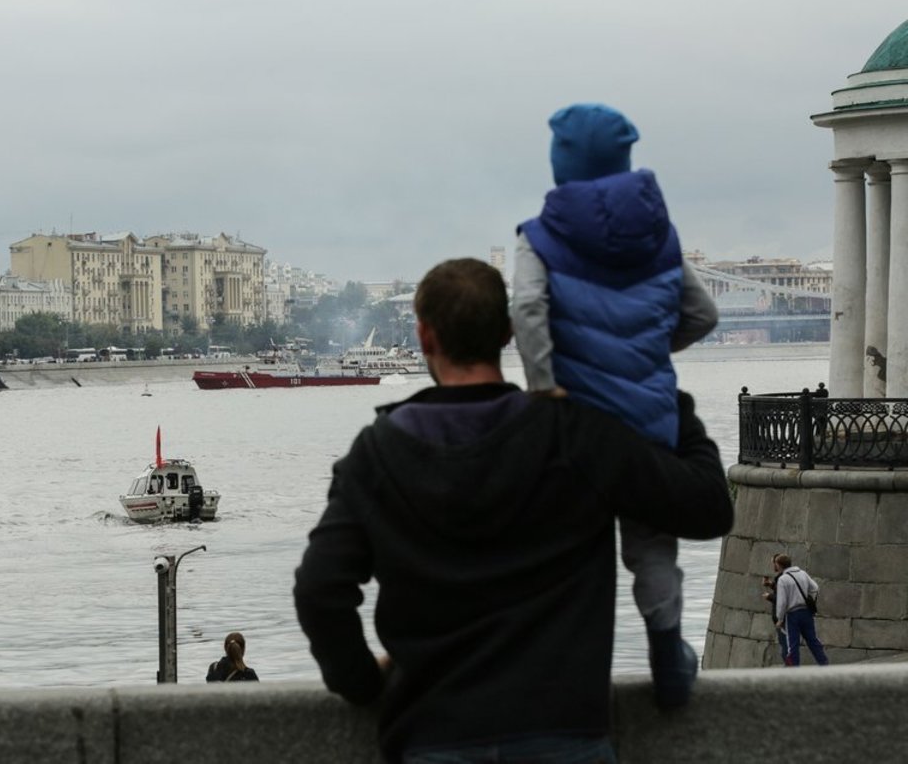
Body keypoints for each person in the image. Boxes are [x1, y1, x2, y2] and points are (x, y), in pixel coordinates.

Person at [295, 258, 732, 763]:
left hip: (432, 735)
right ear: (506, 334)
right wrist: (658, 388)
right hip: (564, 735)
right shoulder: (573, 433)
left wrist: (363, 685)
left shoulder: (377, 453)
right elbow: (706, 508)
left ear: (424, 336)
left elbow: (320, 590)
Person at [511, 103, 719, 706]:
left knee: (574, 543)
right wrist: (652, 351)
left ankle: (570, 672)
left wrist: (544, 383)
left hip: (576, 422)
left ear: (562, 163)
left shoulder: (540, 236)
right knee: (652, 543)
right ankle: (669, 657)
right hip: (650, 418)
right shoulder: (659, 235)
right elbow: (704, 315)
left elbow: (526, 310)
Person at [773, 554, 828, 667]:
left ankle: (794, 670)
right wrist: (810, 599)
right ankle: (824, 664)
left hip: (792, 615)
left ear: (779, 565)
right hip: (806, 612)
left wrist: (780, 618)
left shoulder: (783, 579)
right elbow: (815, 587)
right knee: (813, 640)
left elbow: (782, 602)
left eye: (776, 564)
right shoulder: (802, 573)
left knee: (792, 645)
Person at [761, 556, 789, 661]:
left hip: (783, 620)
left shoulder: (782, 578)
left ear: (778, 564)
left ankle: (790, 670)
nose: (773, 566)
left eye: (773, 563)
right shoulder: (783, 577)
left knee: (786, 648)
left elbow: (783, 598)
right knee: (785, 646)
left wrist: (769, 596)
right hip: (783, 619)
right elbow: (780, 592)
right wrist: (771, 585)